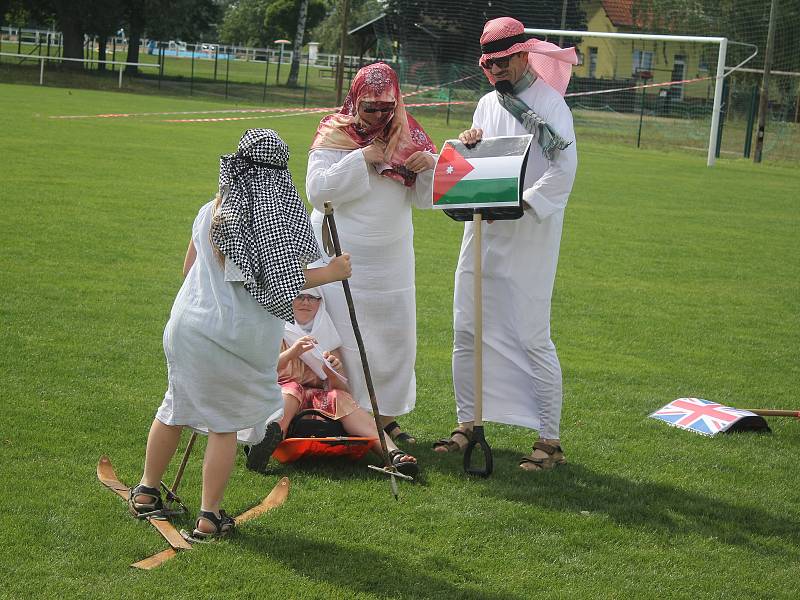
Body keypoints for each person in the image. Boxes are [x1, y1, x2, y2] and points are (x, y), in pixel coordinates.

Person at [128, 129, 352, 539]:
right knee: (224, 426)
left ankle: (145, 492)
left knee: (173, 408)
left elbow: (188, 271)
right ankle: (208, 517)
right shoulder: (273, 223)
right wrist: (332, 272)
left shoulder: (209, 210)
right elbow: (276, 279)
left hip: (187, 327)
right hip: (233, 339)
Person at [433, 17, 579, 471]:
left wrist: (525, 205)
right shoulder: (485, 104)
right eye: (488, 64)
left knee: (531, 332)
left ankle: (548, 441)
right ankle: (467, 423)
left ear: (522, 55)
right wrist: (468, 145)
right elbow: (478, 167)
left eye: (502, 62)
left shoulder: (552, 106)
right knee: (466, 327)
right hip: (481, 231)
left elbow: (563, 170)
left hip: (530, 235)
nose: (495, 71)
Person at [305, 62, 437, 446]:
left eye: (387, 107)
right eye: (371, 107)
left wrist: (428, 167)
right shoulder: (336, 132)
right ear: (355, 101)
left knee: (395, 338)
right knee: (345, 335)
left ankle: (386, 417)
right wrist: (361, 157)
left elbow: (426, 200)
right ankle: (349, 413)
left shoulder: (409, 134)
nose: (380, 116)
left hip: (392, 258)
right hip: (344, 255)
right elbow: (317, 190)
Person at [244, 286, 419, 476]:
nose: (306, 302)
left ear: (320, 304)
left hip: (316, 401)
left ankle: (391, 453)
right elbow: (260, 371)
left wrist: (333, 372)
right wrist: (292, 353)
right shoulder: (275, 329)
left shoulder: (328, 337)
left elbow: (343, 389)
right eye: (299, 297)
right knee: (293, 390)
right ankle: (265, 441)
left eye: (312, 298)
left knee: (339, 397)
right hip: (281, 394)